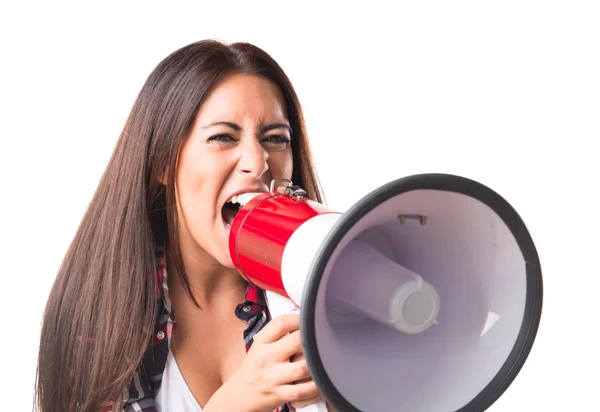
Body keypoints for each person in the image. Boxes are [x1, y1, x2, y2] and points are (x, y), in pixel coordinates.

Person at [35, 39, 335, 412]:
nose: (258, 163)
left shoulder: (320, 291)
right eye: (223, 137)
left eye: (275, 139)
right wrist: (236, 402)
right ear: (163, 161)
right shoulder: (101, 318)